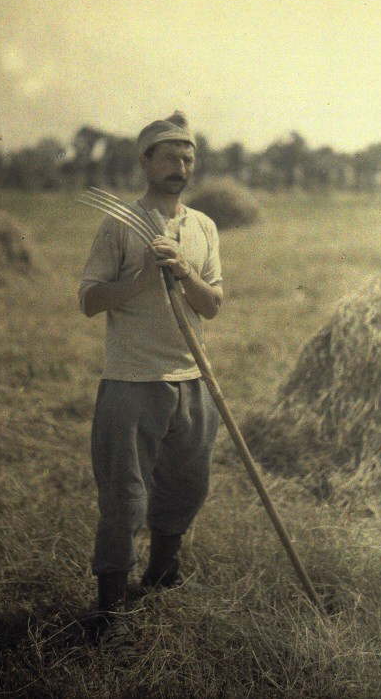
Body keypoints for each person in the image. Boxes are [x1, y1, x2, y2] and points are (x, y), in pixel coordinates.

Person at [78, 111, 223, 629]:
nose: (180, 166)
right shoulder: (119, 222)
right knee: (124, 497)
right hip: (132, 381)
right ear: (146, 161)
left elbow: (211, 305)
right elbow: (90, 300)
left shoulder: (203, 226)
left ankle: (162, 575)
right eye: (169, 157)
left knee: (188, 486)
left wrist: (184, 271)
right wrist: (141, 277)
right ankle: (110, 607)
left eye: (188, 157)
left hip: (192, 378)